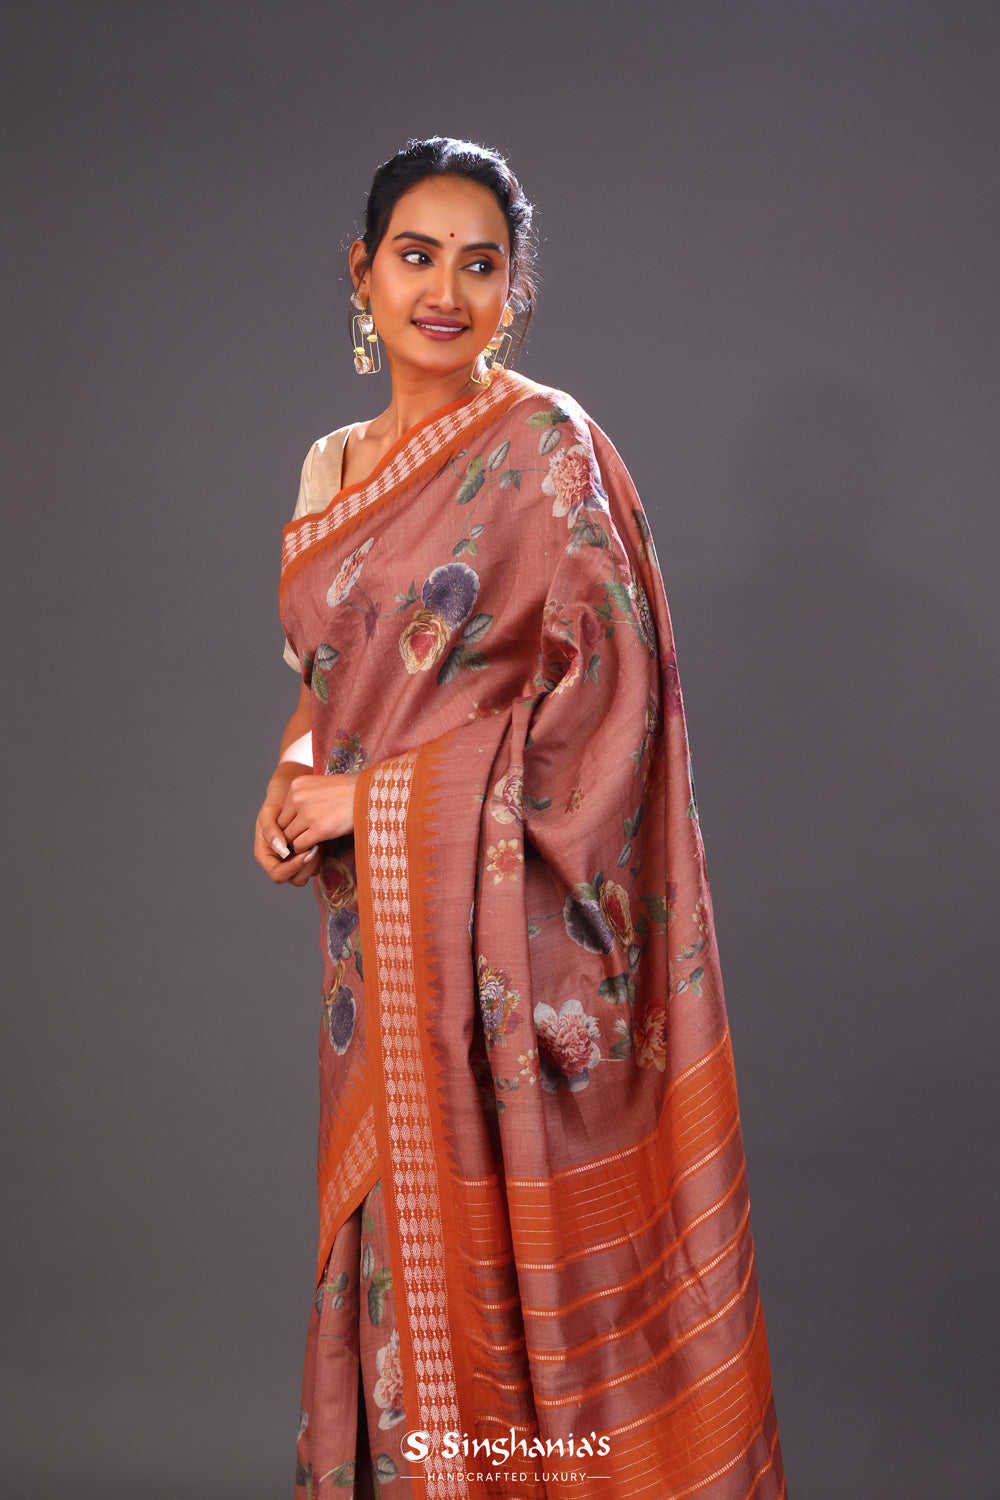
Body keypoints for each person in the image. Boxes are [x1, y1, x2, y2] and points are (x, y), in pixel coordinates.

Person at [254, 137, 785, 1500]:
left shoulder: (548, 451)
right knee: (394, 1249)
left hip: (512, 953)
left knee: (511, 1267)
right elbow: (330, 677)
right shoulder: (330, 468)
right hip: (380, 942)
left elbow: (610, 709)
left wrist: (372, 800)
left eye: (479, 264)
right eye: (416, 256)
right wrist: (292, 772)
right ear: (362, 273)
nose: (445, 291)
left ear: (516, 289)